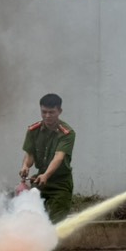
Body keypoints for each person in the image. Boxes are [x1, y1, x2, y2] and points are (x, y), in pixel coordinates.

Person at [20, 93, 76, 222]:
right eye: (44, 112)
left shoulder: (67, 133)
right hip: (40, 180)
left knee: (56, 220)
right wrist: (25, 166)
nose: (47, 116)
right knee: (31, 216)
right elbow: (30, 155)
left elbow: (59, 157)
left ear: (59, 111)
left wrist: (46, 175)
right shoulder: (33, 130)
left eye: (51, 112)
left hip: (60, 183)